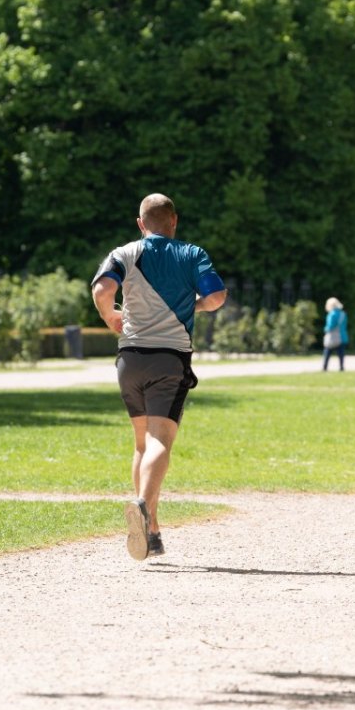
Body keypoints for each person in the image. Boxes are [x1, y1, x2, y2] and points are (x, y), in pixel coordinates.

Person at [91, 193, 227, 561]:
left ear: (140, 223)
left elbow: (102, 290)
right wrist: (194, 304)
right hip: (169, 359)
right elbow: (216, 296)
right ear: (174, 221)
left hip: (130, 358)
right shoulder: (192, 254)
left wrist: (111, 318)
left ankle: (151, 532)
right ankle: (143, 506)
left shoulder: (125, 252)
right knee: (160, 441)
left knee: (141, 444)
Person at [321, 297, 349, 372]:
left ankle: (325, 367)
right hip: (342, 336)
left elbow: (330, 326)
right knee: (341, 353)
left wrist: (325, 330)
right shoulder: (343, 314)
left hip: (333, 337)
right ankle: (341, 367)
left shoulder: (332, 314)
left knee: (327, 352)